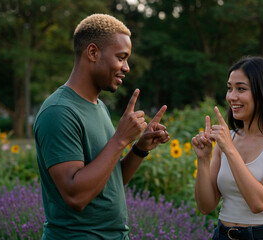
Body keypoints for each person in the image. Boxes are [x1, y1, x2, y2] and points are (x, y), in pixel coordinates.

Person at [33, 13, 169, 240]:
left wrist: (139, 148)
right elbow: (76, 196)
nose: (126, 67)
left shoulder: (99, 107)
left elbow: (108, 182)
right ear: (93, 52)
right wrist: (120, 139)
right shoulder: (58, 112)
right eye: (121, 57)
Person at [192, 56, 263, 240]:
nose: (231, 97)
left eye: (241, 89)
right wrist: (203, 160)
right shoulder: (228, 139)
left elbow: (259, 202)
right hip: (222, 235)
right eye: (230, 88)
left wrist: (230, 149)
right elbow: (206, 206)